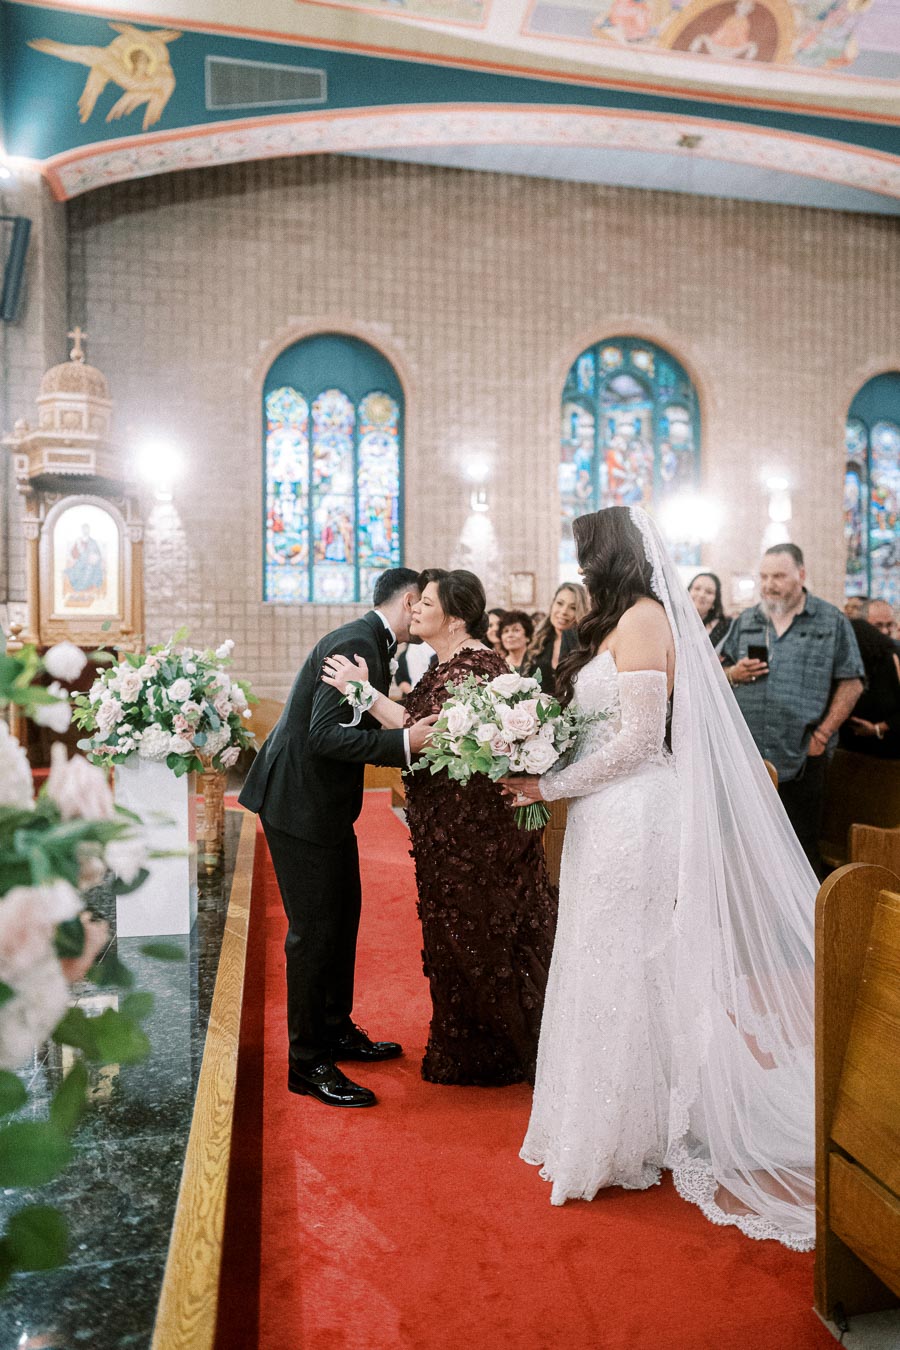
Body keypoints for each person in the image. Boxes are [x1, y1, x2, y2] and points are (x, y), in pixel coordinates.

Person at [507, 505, 820, 1250]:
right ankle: (614, 1119)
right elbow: (598, 731)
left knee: (626, 959)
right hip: (602, 815)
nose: (580, 571)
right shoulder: (616, 621)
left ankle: (625, 1135)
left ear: (611, 556)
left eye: (586, 557)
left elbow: (642, 741)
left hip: (637, 813)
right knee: (596, 955)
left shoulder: (645, 618)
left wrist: (547, 789)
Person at [322, 569, 557, 1087]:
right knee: (453, 930)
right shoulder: (444, 660)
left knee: (477, 929)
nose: (415, 609)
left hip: (473, 830)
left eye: (425, 602)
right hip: (447, 824)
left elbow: (425, 732)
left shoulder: (474, 664)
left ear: (454, 615)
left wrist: (361, 691)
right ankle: (473, 1041)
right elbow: (414, 720)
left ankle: (499, 1051)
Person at [238, 568, 437, 1109]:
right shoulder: (355, 644)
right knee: (314, 931)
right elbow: (323, 736)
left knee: (343, 912)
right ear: (410, 600)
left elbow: (348, 723)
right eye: (424, 604)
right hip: (300, 804)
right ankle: (307, 1062)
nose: (424, 614)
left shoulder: (371, 643)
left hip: (321, 805)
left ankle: (335, 1028)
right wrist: (402, 744)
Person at [720, 543, 863, 876]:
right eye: (764, 576)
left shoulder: (831, 620)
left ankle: (804, 928)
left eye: (779, 576)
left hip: (801, 755)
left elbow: (852, 682)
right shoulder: (748, 619)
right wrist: (733, 673)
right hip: (748, 756)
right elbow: (717, 671)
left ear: (801, 575)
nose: (769, 584)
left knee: (799, 848)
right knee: (743, 846)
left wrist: (823, 734)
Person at [840, 618, 900, 758]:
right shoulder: (848, 668)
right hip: (850, 751)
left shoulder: (893, 660)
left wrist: (877, 729)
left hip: (889, 752)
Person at [525, 583, 589, 695]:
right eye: (560, 603)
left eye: (573, 608)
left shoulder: (587, 646)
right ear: (552, 604)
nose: (564, 611)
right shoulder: (537, 641)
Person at [688, 571, 731, 648]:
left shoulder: (724, 626)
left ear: (715, 600)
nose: (701, 595)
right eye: (697, 589)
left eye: (709, 592)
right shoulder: (672, 620)